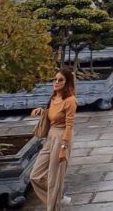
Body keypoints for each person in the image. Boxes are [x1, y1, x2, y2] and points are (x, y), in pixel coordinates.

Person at [29, 68, 77, 211]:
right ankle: (58, 197)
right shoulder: (54, 97)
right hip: (50, 137)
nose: (56, 82)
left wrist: (64, 148)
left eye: (60, 80)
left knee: (53, 179)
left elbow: (69, 126)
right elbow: (53, 115)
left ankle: (53, 206)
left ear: (67, 82)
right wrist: (42, 111)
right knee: (35, 176)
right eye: (55, 79)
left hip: (62, 138)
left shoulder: (70, 101)